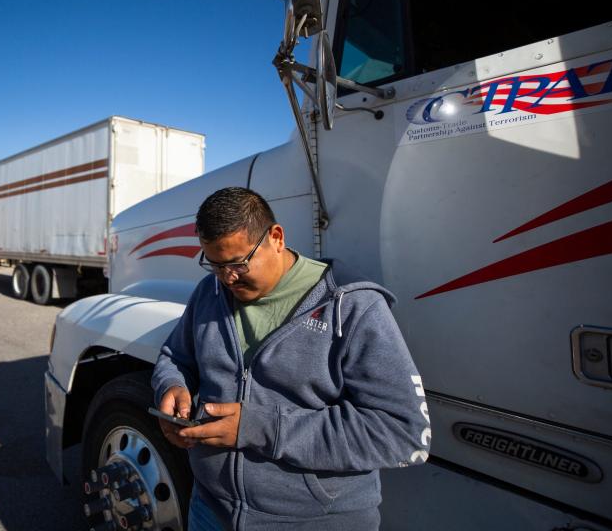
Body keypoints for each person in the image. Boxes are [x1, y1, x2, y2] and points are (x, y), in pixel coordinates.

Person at [151, 187, 430, 531]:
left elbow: (401, 432)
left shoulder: (353, 306)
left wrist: (259, 427)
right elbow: (175, 355)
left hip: (311, 522)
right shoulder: (209, 293)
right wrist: (172, 384)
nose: (227, 278)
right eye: (215, 265)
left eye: (238, 263)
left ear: (276, 237)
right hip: (210, 510)